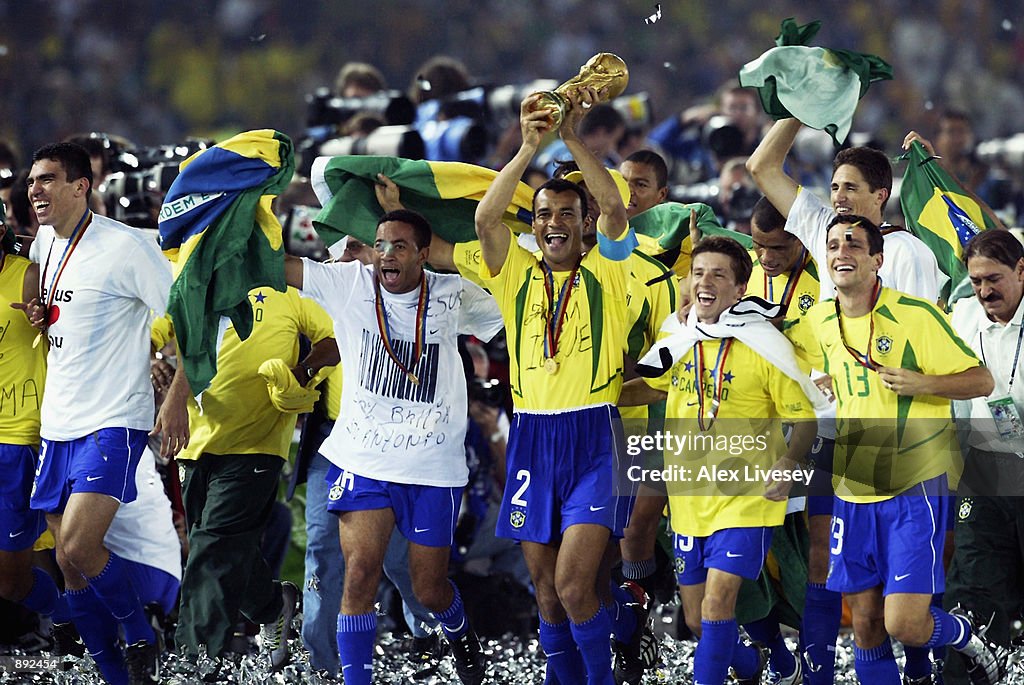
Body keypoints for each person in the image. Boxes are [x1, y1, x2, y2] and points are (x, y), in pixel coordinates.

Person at [784, 214, 1007, 685]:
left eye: (854, 244)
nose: (842, 251)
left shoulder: (914, 316)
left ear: (877, 260)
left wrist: (923, 382)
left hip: (913, 487)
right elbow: (793, 351)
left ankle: (968, 637)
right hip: (853, 485)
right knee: (864, 624)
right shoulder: (821, 319)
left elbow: (981, 380)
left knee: (903, 623)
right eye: (833, 246)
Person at [283, 208, 503, 685]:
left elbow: (511, 294)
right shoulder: (349, 284)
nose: (386, 254)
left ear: (424, 255)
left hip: (431, 465)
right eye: (380, 244)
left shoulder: (451, 295)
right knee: (359, 574)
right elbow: (279, 265)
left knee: (428, 589)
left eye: (400, 246)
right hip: (364, 456)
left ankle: (460, 633)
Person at [476, 88, 637, 685]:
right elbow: (485, 218)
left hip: (595, 436)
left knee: (573, 587)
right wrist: (526, 147)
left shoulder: (608, 269)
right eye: (544, 215)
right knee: (547, 594)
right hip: (532, 440)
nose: (553, 224)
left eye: (566, 213)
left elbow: (617, 211)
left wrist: (570, 136)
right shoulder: (513, 271)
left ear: (583, 222)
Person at [620, 235, 819, 685]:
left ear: (739, 288)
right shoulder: (680, 339)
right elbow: (655, 386)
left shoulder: (764, 345)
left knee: (716, 606)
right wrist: (596, 396)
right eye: (698, 272)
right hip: (689, 500)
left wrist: (787, 465)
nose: (704, 282)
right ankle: (767, 664)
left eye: (718, 274)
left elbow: (802, 419)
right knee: (696, 618)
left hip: (746, 499)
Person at [20, 141, 172, 684]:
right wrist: (38, 306)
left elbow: (179, 315)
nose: (35, 189)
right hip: (59, 420)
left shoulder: (128, 247)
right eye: (32, 180)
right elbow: (43, 281)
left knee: (80, 546)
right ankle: (116, 676)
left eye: (48, 179)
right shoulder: (44, 241)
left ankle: (138, 633)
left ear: (82, 186)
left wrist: (170, 385)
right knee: (66, 563)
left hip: (113, 417)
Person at [158, 275, 338, 674]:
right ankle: (273, 606)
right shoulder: (194, 281)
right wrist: (154, 358)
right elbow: (156, 327)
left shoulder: (290, 293)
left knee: (213, 548)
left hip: (257, 444)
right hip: (194, 441)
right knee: (226, 550)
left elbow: (334, 338)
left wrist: (302, 373)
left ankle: (194, 664)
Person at [290, 236, 440, 678]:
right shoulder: (318, 290)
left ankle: (428, 632)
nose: (347, 256)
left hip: (390, 444)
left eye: (357, 247)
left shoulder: (409, 294)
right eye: (340, 250)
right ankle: (321, 662)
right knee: (322, 547)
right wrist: (300, 372)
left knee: (396, 555)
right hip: (331, 442)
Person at [747, 119, 945, 302]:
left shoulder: (908, 252)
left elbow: (920, 330)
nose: (839, 197)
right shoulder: (823, 228)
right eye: (834, 188)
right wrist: (797, 109)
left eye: (850, 188)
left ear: (880, 196)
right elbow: (761, 168)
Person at [946, 229, 1024, 685]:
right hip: (985, 467)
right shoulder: (963, 315)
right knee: (974, 581)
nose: (984, 291)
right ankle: (965, 676)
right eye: (975, 281)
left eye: (993, 279)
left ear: (1020, 269)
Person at [0, 208, 73, 655]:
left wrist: (39, 317)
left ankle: (74, 618)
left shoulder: (27, 274)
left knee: (10, 581)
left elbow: (62, 250)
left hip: (16, 435)